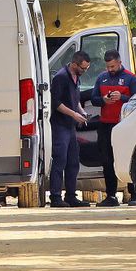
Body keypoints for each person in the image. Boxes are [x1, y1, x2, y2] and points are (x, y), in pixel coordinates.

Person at [93, 50, 136, 207]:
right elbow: (94, 99)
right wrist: (104, 100)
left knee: (128, 158)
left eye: (112, 66)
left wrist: (122, 98)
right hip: (105, 124)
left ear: (119, 62)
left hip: (124, 124)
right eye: (108, 66)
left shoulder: (130, 78)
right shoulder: (101, 78)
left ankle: (133, 194)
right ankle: (111, 195)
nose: (110, 69)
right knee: (107, 160)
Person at [49, 51, 92, 207]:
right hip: (60, 125)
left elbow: (76, 98)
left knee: (73, 161)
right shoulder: (61, 78)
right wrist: (74, 114)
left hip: (70, 126)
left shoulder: (76, 77)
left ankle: (71, 195)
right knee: (60, 160)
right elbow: (56, 103)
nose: (84, 71)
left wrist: (81, 112)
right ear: (74, 64)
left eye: (86, 68)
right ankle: (55, 196)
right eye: (83, 68)